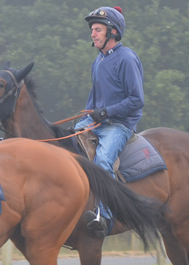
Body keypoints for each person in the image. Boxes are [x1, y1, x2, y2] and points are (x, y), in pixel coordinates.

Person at [75, 6, 144, 235]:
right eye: (92, 30)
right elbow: (94, 99)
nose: (93, 34)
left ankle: (103, 216)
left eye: (97, 29)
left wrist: (104, 114)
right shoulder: (98, 61)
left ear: (112, 32)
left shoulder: (127, 58)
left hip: (120, 125)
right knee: (68, 143)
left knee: (103, 160)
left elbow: (136, 100)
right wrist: (86, 115)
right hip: (98, 122)